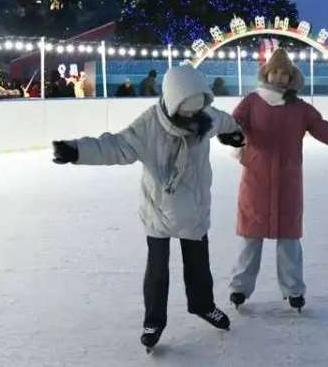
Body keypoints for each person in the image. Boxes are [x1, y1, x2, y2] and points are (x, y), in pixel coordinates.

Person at [50, 65, 246, 352]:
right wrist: (77, 150)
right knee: (157, 270)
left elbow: (224, 122)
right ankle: (154, 320)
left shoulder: (206, 116)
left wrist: (233, 134)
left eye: (197, 110)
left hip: (194, 206)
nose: (193, 118)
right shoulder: (149, 126)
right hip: (159, 208)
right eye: (186, 111)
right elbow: (115, 146)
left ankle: (203, 305)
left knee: (198, 266)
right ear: (172, 103)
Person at [227, 48, 328, 313]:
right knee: (250, 239)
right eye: (275, 71)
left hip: (288, 182)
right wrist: (230, 135)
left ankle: (294, 290)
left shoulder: (300, 109)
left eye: (285, 73)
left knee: (289, 241)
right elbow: (233, 123)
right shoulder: (251, 102)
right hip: (256, 182)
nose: (279, 77)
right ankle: (239, 288)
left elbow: (326, 131)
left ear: (291, 77)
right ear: (266, 72)